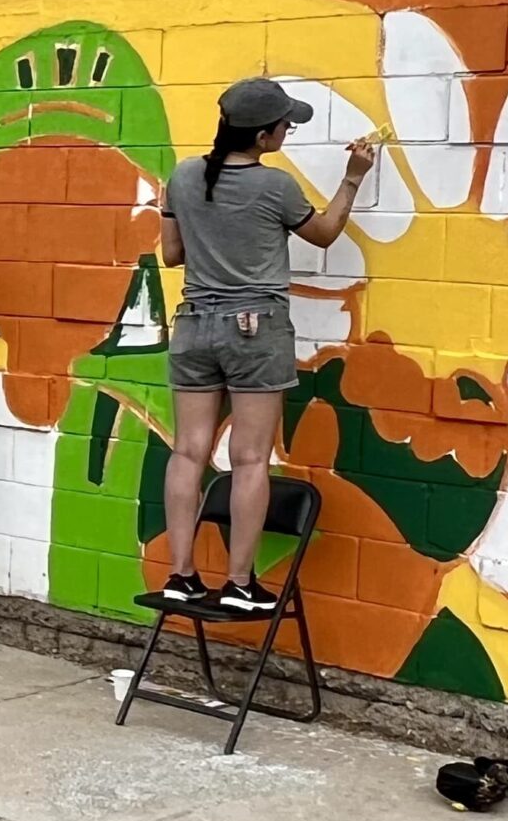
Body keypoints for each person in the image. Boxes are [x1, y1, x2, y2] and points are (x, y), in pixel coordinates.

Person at [157, 77, 377, 615]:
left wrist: (215, 240)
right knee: (250, 457)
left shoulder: (184, 176)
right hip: (255, 327)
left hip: (192, 324)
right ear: (261, 136)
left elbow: (170, 254)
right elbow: (323, 234)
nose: (287, 131)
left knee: (188, 450)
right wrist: (352, 179)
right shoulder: (274, 187)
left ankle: (181, 575)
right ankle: (238, 583)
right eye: (285, 125)